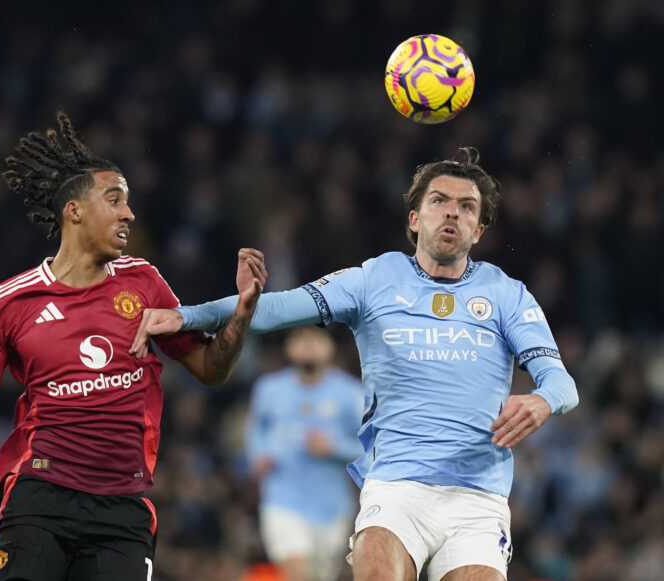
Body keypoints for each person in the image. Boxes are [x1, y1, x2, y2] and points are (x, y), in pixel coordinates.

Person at [130, 148, 580, 581]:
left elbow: (561, 382)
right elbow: (275, 308)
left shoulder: (506, 294)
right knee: (376, 563)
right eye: (439, 201)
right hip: (396, 487)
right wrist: (189, 315)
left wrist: (542, 401)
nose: (452, 213)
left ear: (478, 230)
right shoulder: (375, 279)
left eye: (467, 207)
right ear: (414, 219)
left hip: (478, 495)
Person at [0, 111, 267, 581]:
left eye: (128, 201)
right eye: (114, 199)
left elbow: (210, 369)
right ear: (73, 211)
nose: (128, 213)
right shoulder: (11, 303)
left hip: (122, 508)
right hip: (39, 496)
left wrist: (242, 313)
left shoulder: (144, 283)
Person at [246, 326, 362, 581]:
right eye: (300, 339)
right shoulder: (270, 388)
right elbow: (256, 429)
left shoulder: (350, 393)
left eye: (315, 339)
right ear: (289, 347)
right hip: (282, 499)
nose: (308, 345)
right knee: (297, 572)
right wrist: (257, 455)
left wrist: (335, 447)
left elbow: (370, 446)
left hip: (332, 506)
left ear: (330, 347)